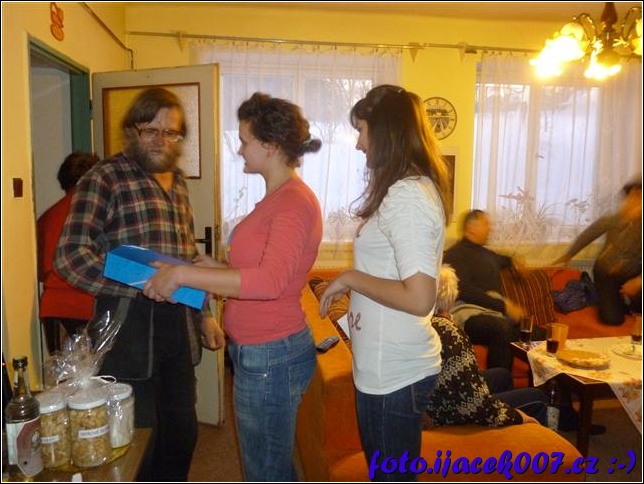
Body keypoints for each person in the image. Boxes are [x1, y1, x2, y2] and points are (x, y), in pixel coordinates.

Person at [142, 92, 323, 482]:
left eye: (244, 140)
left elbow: (270, 282)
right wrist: (218, 269)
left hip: (271, 354)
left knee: (265, 472)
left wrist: (183, 276)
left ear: (270, 145)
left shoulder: (292, 203)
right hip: (263, 351)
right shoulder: (277, 198)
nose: (240, 149)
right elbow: (265, 272)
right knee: (270, 465)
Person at [54, 87, 224, 482]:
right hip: (126, 328)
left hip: (179, 329)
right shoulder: (104, 178)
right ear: (133, 130)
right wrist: (139, 283)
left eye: (171, 132)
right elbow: (70, 255)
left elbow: (186, 259)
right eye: (151, 130)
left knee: (182, 434)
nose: (160, 140)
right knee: (139, 441)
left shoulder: (179, 184)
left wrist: (205, 315)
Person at [318, 85, 451, 482]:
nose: (358, 144)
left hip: (393, 372)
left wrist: (350, 278)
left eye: (362, 130)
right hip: (387, 367)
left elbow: (419, 297)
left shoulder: (407, 197)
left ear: (387, 131)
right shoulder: (408, 190)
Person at [427, 264, 547, 427]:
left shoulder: (426, 322)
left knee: (502, 375)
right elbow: (473, 405)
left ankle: (504, 433)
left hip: (438, 397)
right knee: (537, 397)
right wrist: (513, 415)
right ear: (451, 296)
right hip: (448, 412)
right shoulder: (449, 331)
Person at [444, 209, 545, 370]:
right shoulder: (455, 255)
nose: (490, 228)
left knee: (540, 335)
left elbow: (505, 260)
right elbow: (465, 291)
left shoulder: (488, 254)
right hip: (469, 314)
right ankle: (499, 383)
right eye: (486, 224)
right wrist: (504, 307)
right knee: (502, 329)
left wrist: (515, 262)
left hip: (495, 315)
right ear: (471, 228)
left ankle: (541, 385)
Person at [552, 175, 642, 326]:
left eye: (639, 197)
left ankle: (631, 304)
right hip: (605, 274)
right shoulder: (612, 220)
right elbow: (588, 235)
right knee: (613, 320)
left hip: (633, 275)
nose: (635, 202)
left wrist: (639, 281)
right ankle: (614, 301)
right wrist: (567, 256)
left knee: (639, 310)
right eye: (631, 197)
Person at [37, 152, 98, 353]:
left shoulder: (47, 217)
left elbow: (39, 271)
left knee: (62, 371)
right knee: (98, 370)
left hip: (54, 308)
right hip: (88, 305)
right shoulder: (97, 212)